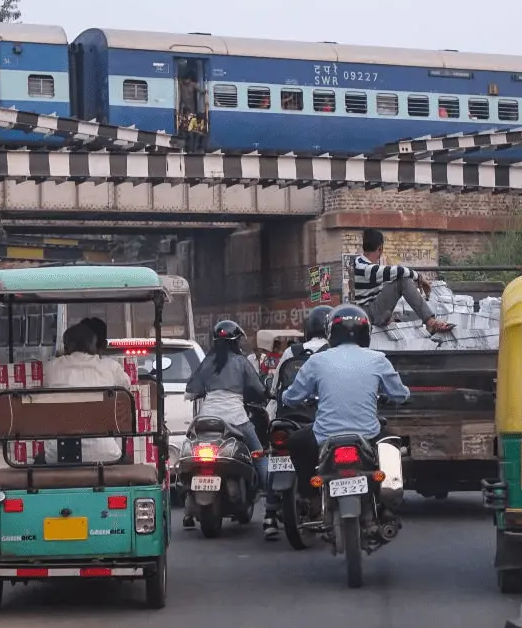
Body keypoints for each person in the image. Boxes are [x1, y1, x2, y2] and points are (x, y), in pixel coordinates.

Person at [282, 304, 410, 504]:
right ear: (365, 332)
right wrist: (393, 396)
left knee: (296, 442)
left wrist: (285, 398)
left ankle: (310, 495)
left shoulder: (317, 361)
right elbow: (400, 394)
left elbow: (293, 397)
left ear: (331, 332)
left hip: (324, 435)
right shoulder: (378, 359)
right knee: (393, 443)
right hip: (368, 433)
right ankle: (387, 501)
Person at [184, 320, 272, 534]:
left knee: (189, 452)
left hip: (207, 420)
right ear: (236, 341)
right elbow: (259, 389)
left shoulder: (208, 361)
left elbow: (190, 390)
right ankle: (271, 507)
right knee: (259, 454)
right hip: (237, 419)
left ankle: (187, 508)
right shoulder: (241, 362)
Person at [42, 323, 131, 464]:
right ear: (93, 346)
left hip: (57, 454)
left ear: (67, 346)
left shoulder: (50, 368)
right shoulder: (111, 367)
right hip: (106, 454)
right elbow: (127, 388)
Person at [353, 228, 454, 334]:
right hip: (368, 314)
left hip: (369, 310)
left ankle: (388, 318)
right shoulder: (366, 268)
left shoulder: (360, 262)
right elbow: (400, 270)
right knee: (402, 281)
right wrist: (420, 278)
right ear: (380, 248)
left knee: (396, 280)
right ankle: (431, 323)